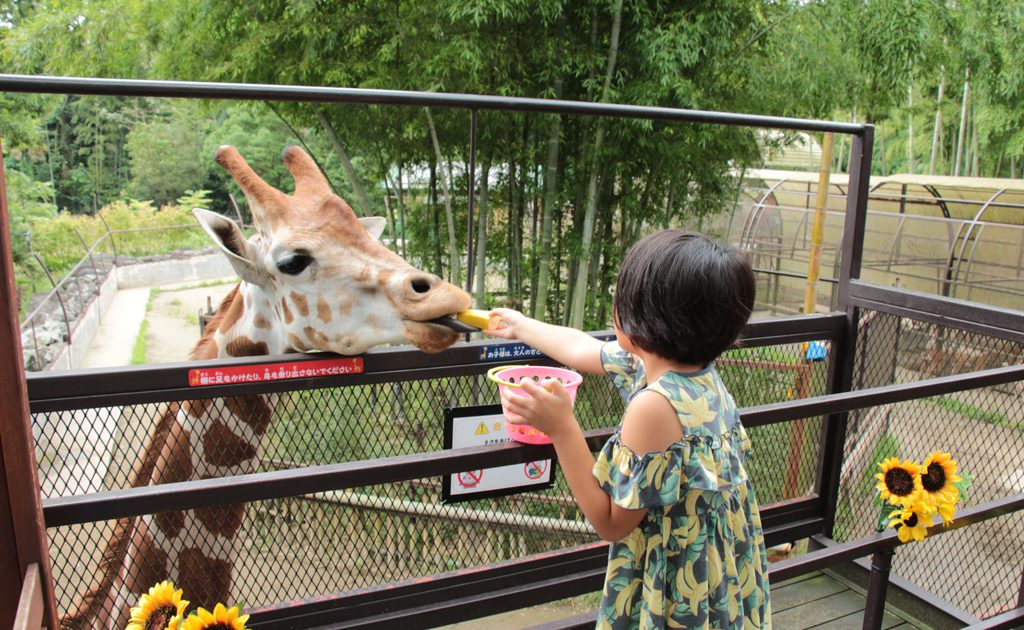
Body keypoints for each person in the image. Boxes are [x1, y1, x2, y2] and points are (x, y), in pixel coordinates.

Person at [486, 230, 771, 629]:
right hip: (718, 578)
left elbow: (611, 522)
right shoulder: (696, 374)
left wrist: (562, 428)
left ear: (647, 318)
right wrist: (519, 325)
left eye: (624, 295)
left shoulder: (654, 406)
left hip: (674, 589)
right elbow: (580, 347)